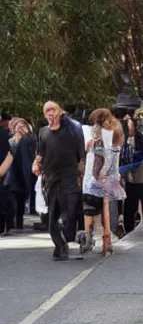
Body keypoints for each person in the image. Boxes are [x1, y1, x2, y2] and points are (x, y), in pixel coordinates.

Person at [32, 101, 86, 261]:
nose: (50, 113)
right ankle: (61, 247)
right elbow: (39, 154)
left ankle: (70, 238)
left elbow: (81, 155)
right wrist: (35, 164)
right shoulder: (43, 132)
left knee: (68, 213)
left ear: (60, 112)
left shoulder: (72, 130)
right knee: (52, 218)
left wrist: (81, 172)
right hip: (50, 180)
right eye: (47, 110)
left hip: (69, 177)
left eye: (53, 110)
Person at [78, 109, 127, 257]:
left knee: (89, 206)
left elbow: (96, 157)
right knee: (105, 207)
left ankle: (87, 237)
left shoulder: (100, 133)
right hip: (111, 176)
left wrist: (91, 145)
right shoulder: (117, 130)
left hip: (94, 177)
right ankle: (107, 243)